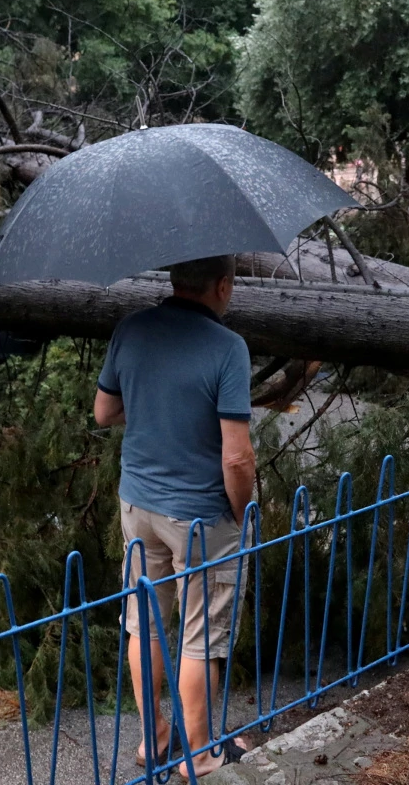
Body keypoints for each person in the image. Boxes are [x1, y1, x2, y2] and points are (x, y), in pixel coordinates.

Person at [94, 254, 256, 778]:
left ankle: (154, 738)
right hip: (200, 516)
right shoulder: (228, 348)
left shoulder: (131, 329)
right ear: (223, 286)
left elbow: (104, 411)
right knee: (199, 635)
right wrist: (242, 513)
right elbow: (237, 458)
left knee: (143, 623)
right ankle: (200, 754)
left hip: (137, 507)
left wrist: (150, 407)